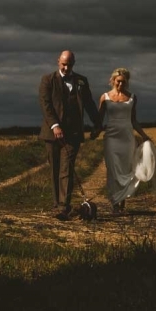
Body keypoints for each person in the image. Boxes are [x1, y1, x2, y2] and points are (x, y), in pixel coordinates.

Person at [38, 50, 101, 220]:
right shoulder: (47, 80)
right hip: (52, 134)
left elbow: (89, 104)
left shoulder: (81, 81)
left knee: (67, 169)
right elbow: (46, 105)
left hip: (73, 133)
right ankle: (56, 204)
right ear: (58, 61)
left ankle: (63, 207)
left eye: (69, 65)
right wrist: (55, 125)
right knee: (55, 169)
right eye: (63, 64)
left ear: (74, 63)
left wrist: (98, 123)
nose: (66, 68)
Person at [98, 67, 156, 213]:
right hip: (111, 137)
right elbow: (99, 120)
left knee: (126, 168)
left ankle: (121, 200)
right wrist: (93, 132)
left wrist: (143, 135)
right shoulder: (104, 97)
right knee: (113, 170)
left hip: (127, 138)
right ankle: (114, 202)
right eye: (118, 82)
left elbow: (134, 120)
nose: (121, 85)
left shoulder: (132, 98)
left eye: (124, 82)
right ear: (113, 81)